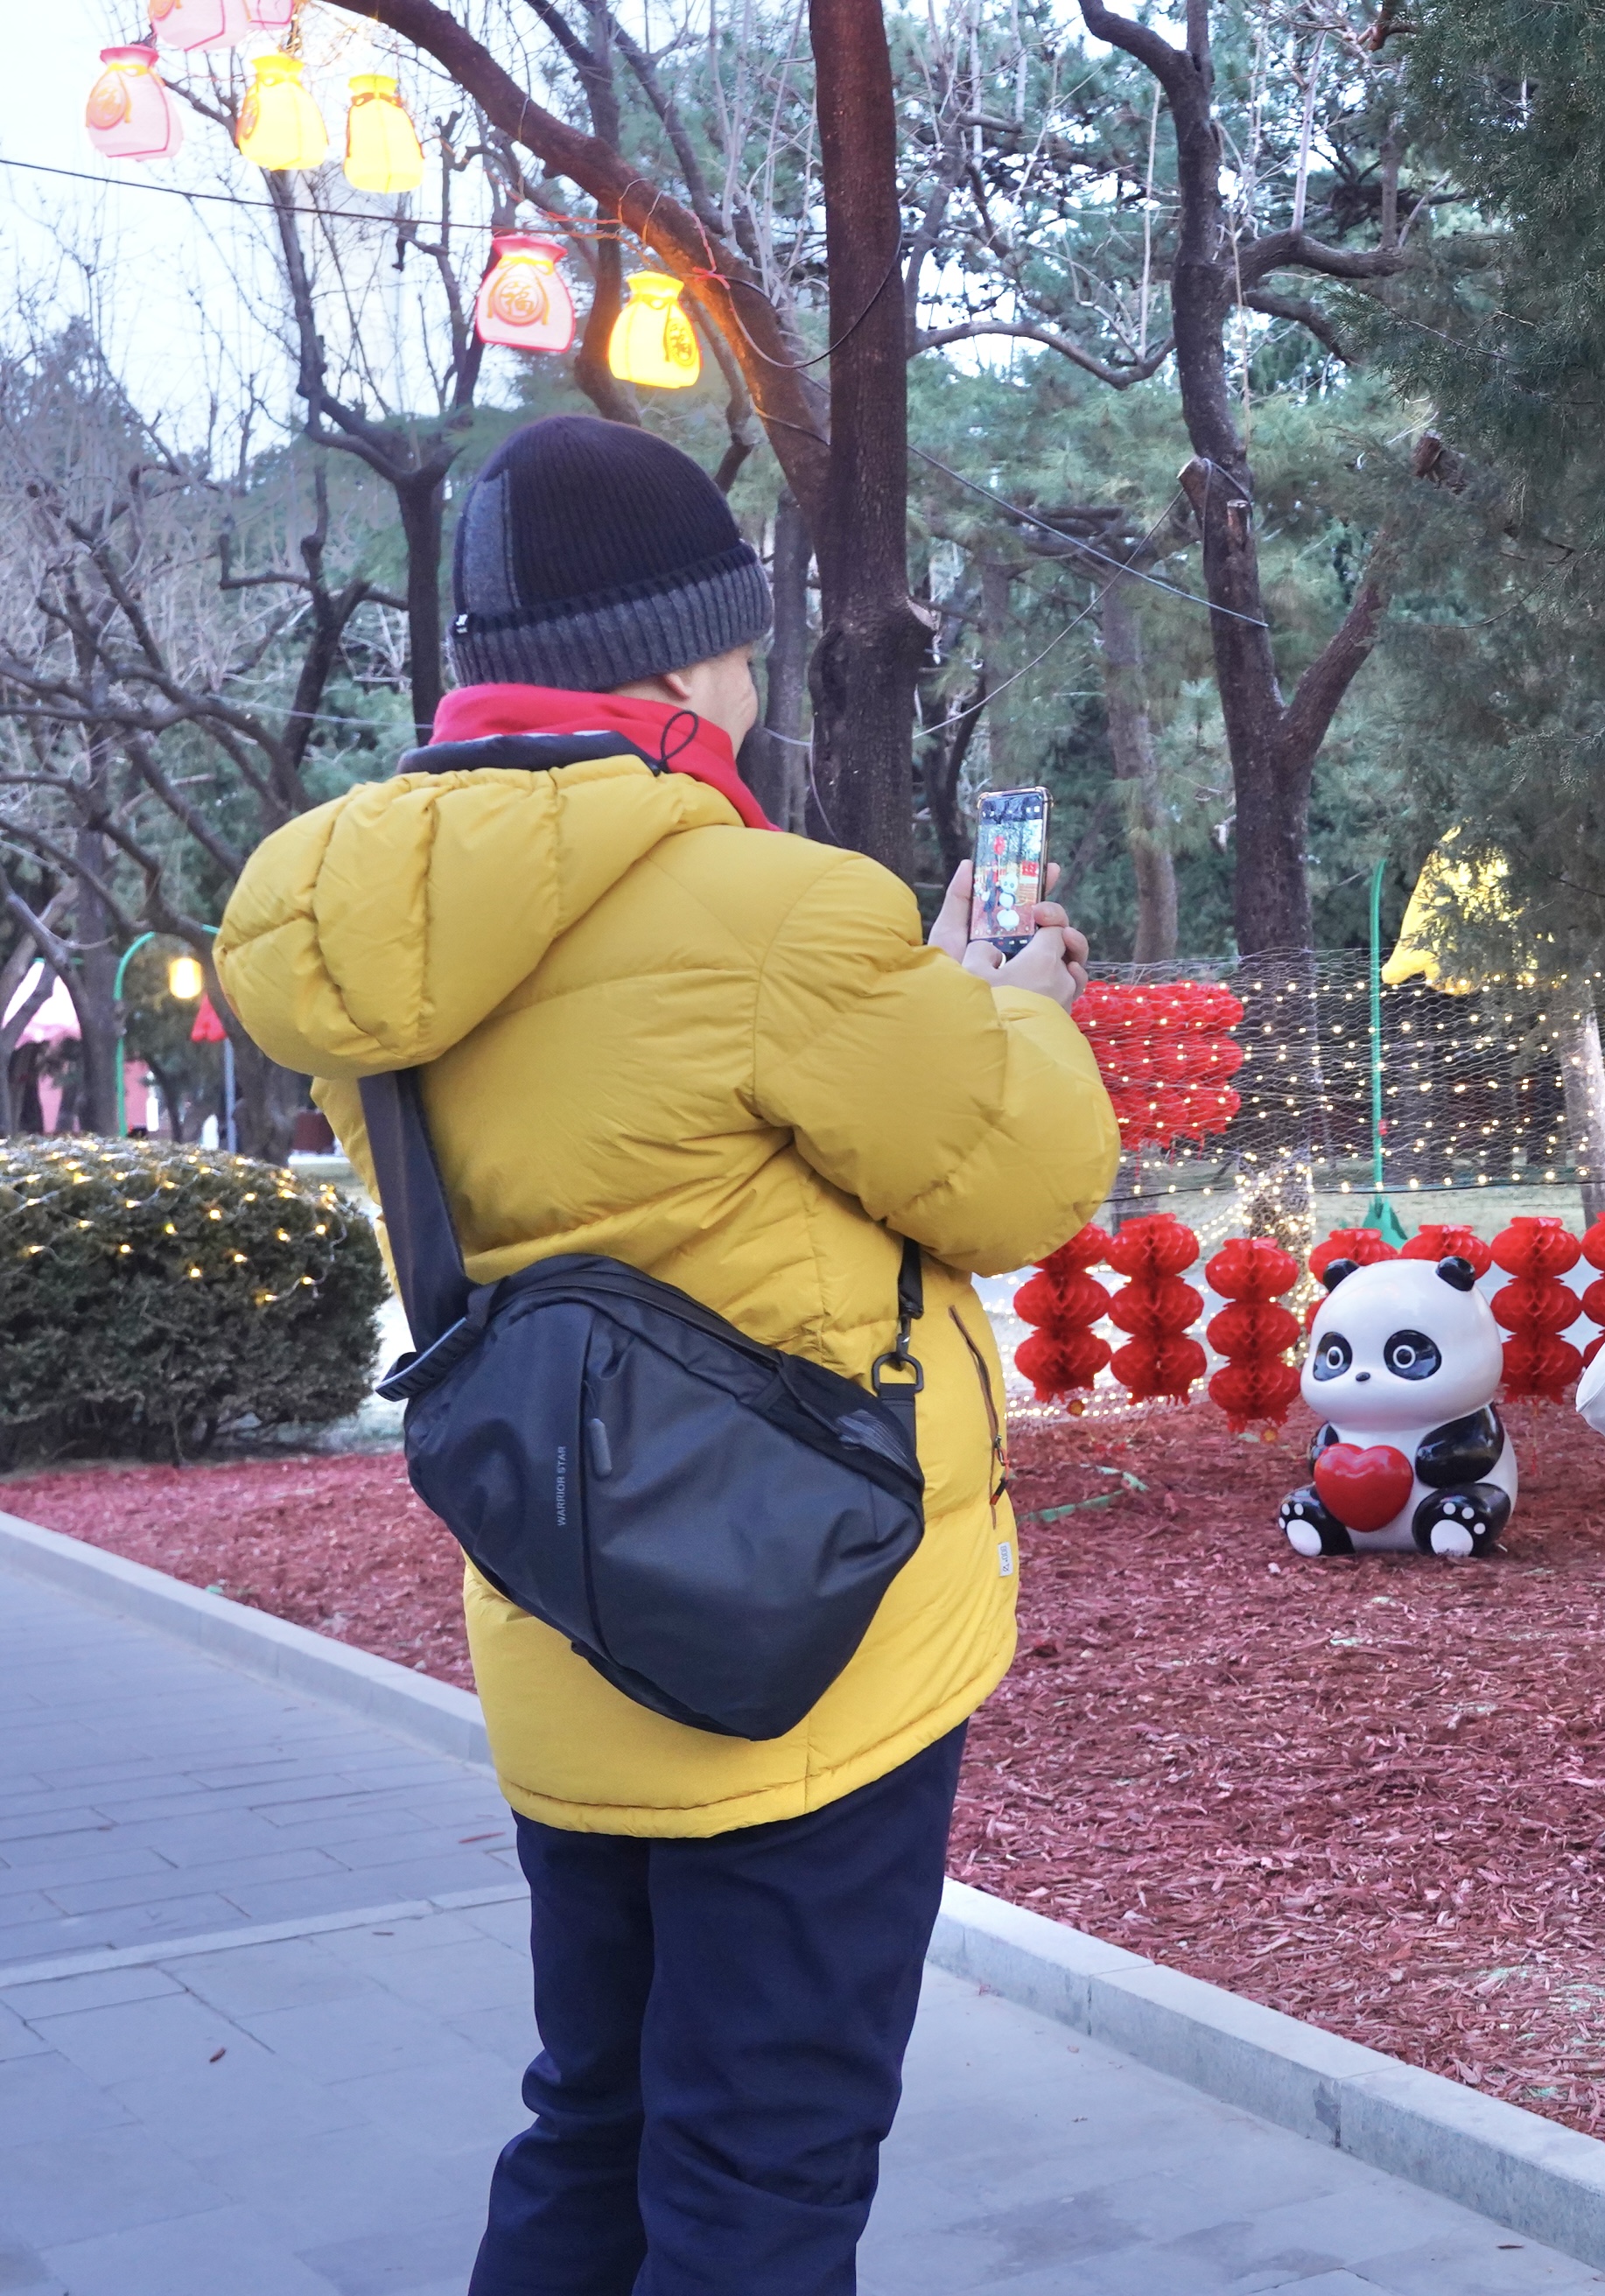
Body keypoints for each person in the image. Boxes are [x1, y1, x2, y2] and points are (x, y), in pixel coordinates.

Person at [215, 414, 1123, 2294]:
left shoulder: (368, 940)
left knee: (596, 2117)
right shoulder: (776, 910)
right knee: (763, 2173)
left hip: (569, 1612)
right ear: (678, 664)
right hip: (806, 1636)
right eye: (739, 645)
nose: (752, 681)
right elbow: (1022, 1180)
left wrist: (909, 995)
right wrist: (1011, 1007)